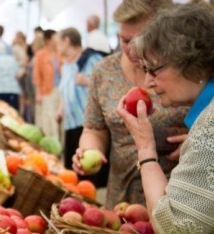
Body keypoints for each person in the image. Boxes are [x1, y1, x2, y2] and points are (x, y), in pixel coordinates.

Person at [117, 3, 214, 234]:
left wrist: (145, 149)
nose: (147, 82)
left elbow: (172, 229)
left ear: (192, 63)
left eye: (154, 69)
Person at [72, 0, 188, 209]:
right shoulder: (104, 71)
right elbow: (94, 129)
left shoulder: (182, 69)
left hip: (177, 197)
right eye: (125, 40)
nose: (133, 50)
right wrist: (89, 150)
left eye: (142, 41)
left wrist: (196, 141)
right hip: (120, 198)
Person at [56, 27, 103, 171]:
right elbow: (65, 91)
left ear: (66, 41)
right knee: (73, 168)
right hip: (70, 123)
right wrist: (60, 110)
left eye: (59, 42)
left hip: (87, 124)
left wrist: (87, 81)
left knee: (88, 168)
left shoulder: (91, 59)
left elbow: (106, 85)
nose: (57, 47)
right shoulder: (65, 65)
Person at [33, 29, 62, 141]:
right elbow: (37, 76)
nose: (58, 39)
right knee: (49, 119)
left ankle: (60, 144)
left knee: (59, 119)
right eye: (55, 37)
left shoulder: (59, 53)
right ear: (49, 40)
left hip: (60, 91)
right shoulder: (40, 55)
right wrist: (38, 93)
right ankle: (52, 144)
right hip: (47, 91)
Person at [0, 43, 22, 112]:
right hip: (13, 91)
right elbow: (18, 75)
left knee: (0, 115)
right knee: (13, 115)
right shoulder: (12, 59)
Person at [24, 36, 45, 124]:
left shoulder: (38, 58)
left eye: (34, 46)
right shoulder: (35, 58)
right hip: (33, 92)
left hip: (36, 92)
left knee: (38, 116)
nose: (32, 48)